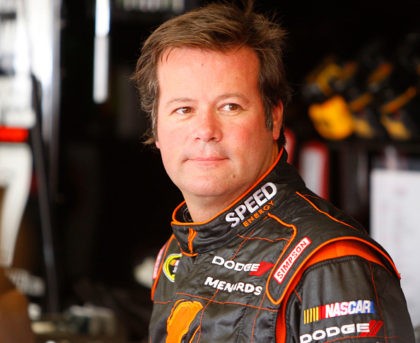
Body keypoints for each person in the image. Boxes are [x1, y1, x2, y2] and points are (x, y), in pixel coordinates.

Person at [132, 1, 415, 342]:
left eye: (230, 106)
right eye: (183, 109)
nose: (205, 129)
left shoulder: (330, 265)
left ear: (274, 118)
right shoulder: (176, 252)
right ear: (156, 128)